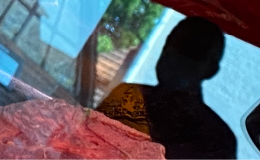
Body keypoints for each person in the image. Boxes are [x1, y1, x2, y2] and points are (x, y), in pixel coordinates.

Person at [98, 16, 239, 159]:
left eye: (193, 52)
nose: (176, 55)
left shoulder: (216, 140)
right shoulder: (126, 96)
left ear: (211, 69)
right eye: (172, 44)